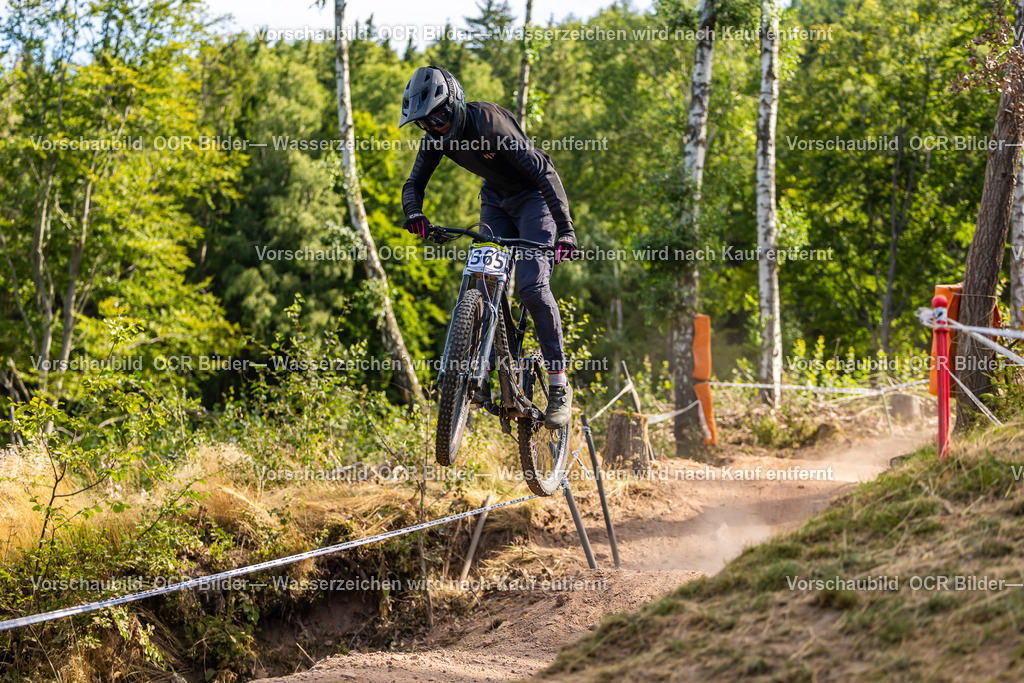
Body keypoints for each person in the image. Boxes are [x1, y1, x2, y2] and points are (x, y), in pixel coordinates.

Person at [399, 65, 579, 429]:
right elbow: (414, 182)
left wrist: (565, 230)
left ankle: (559, 386)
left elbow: (544, 172)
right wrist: (414, 212)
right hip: (495, 201)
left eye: (440, 116)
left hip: (534, 200)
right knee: (481, 278)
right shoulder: (435, 137)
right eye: (426, 123)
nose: (436, 127)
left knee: (531, 286)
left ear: (457, 103)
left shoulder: (490, 124)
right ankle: (482, 369)